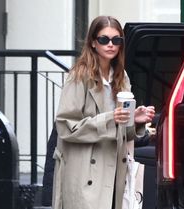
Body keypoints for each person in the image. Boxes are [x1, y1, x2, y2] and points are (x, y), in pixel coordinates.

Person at [52, 15, 155, 209]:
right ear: (93, 42)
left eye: (116, 40)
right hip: (86, 172)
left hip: (115, 169)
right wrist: (110, 118)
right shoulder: (79, 76)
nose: (111, 45)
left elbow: (122, 131)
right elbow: (66, 126)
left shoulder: (121, 77)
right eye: (104, 39)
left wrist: (135, 119)